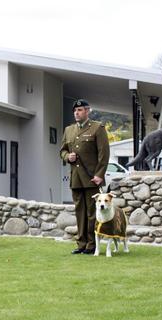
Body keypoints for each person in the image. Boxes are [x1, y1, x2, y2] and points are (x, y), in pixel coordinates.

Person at [60, 99, 110, 255]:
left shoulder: (97, 128)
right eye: (75, 110)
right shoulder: (69, 130)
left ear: (87, 111)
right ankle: (81, 243)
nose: (76, 113)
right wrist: (68, 157)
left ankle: (91, 244)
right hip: (76, 179)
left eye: (80, 110)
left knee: (91, 213)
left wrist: (99, 175)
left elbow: (104, 154)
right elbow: (62, 151)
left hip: (91, 179)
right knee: (79, 212)